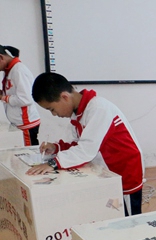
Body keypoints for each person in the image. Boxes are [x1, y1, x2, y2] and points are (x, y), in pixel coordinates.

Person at [26, 72, 145, 216]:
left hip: (125, 170)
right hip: (107, 170)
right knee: (113, 210)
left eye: (52, 109)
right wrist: (57, 147)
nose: (54, 114)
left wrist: (53, 163)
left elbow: (86, 150)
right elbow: (79, 143)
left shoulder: (98, 109)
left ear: (65, 97)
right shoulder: (78, 113)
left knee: (129, 217)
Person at [0, 45, 41, 146]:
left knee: (29, 153)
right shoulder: (9, 70)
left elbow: (26, 99)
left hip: (26, 123)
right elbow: (14, 92)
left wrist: (3, 98)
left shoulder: (18, 71)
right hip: (19, 122)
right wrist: (2, 94)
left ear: (1, 57)